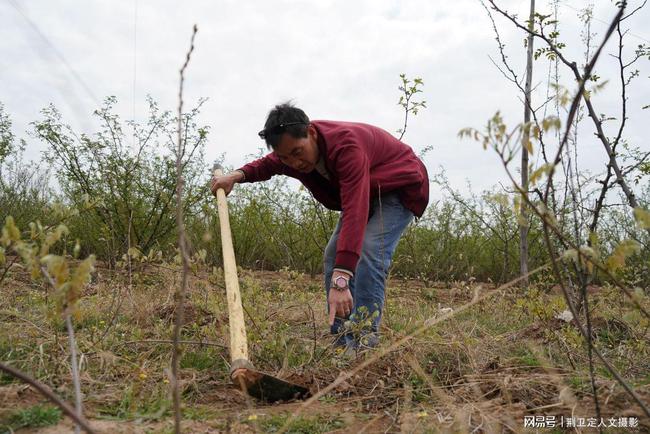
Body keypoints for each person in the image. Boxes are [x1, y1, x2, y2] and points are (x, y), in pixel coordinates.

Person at [211, 102, 429, 353]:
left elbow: (355, 210)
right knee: (332, 255)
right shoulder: (289, 154)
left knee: (370, 251)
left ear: (311, 133)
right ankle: (341, 343)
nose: (294, 162)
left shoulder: (346, 147)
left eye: (297, 152)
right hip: (366, 191)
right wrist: (235, 176)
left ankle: (364, 342)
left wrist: (341, 280)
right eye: (285, 157)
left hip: (399, 188)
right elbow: (267, 165)